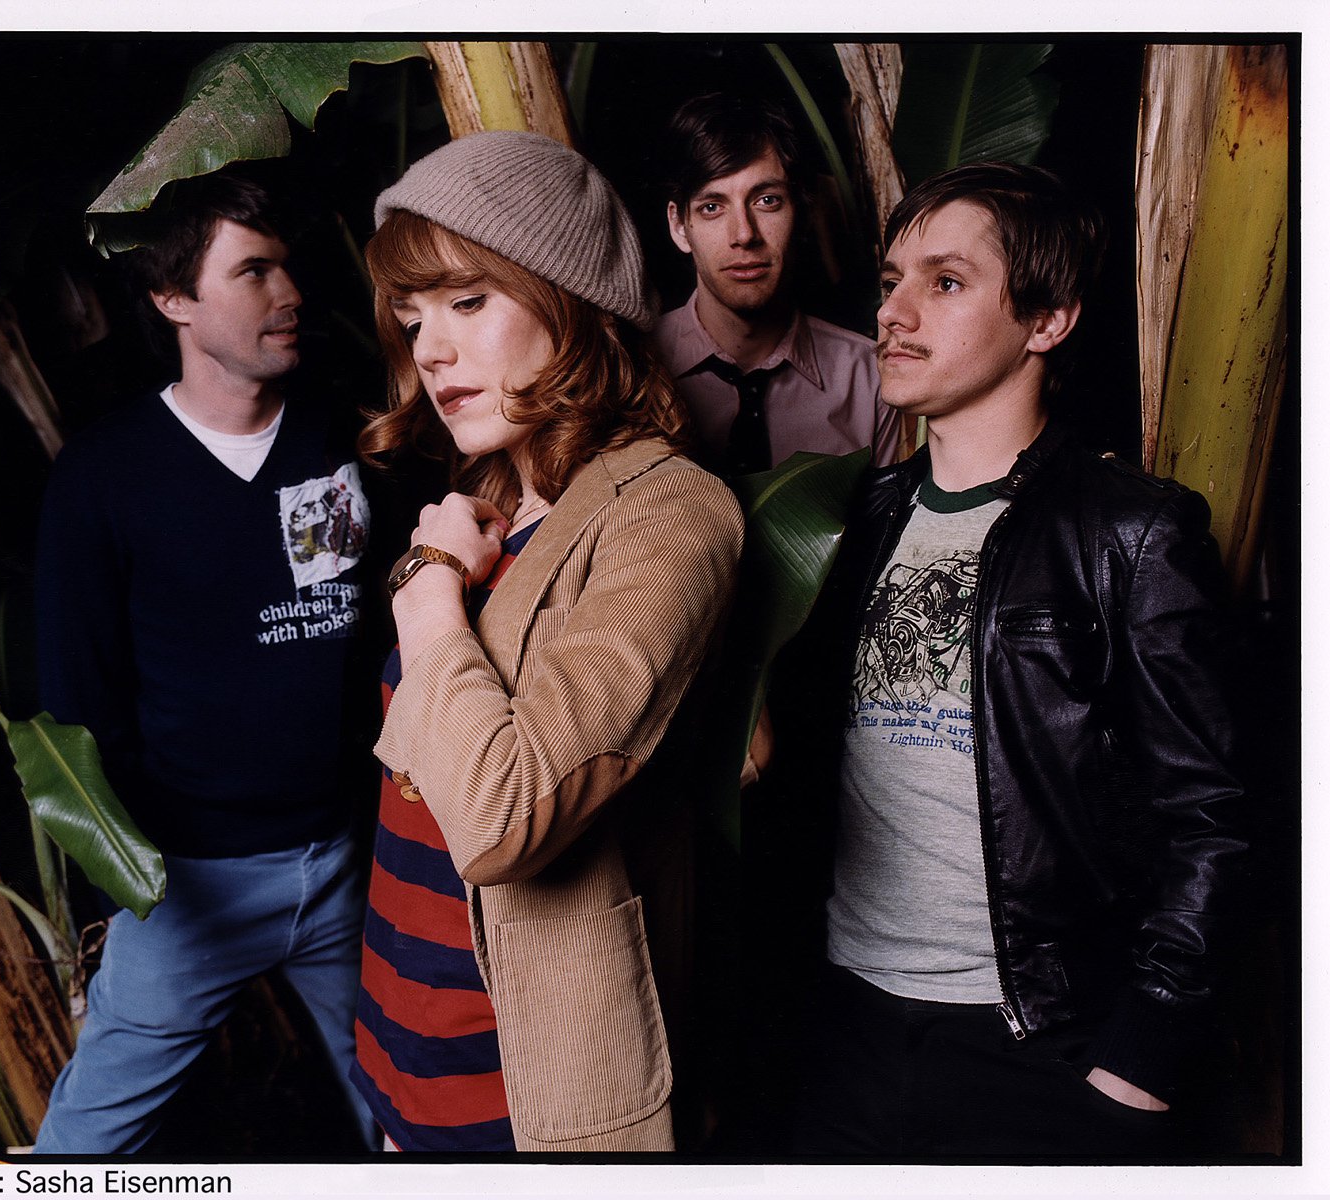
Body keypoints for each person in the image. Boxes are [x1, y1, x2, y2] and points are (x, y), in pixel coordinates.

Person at [791, 162, 1253, 1160]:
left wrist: (1140, 1059)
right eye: (890, 280)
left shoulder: (1130, 533)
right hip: (843, 1027)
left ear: (1045, 321)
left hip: (1034, 1041)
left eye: (945, 282)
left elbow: (1215, 818)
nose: (894, 312)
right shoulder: (852, 523)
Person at [348, 130, 744, 1153]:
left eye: (467, 301)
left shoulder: (668, 513)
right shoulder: (486, 502)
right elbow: (414, 798)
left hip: (521, 1089)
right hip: (401, 1041)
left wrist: (425, 586)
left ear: (570, 303)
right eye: (412, 317)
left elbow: (501, 821)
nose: (429, 350)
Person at [33, 171, 379, 1153]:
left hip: (348, 867)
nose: (290, 293)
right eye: (252, 271)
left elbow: (375, 634)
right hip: (189, 888)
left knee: (410, 1115)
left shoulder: (341, 436)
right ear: (172, 298)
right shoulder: (104, 475)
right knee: (82, 1148)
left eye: (287, 266)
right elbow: (77, 703)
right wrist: (137, 889)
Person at [653, 92, 898, 476]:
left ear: (801, 213)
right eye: (712, 207)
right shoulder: (634, 365)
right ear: (679, 226)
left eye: (766, 201)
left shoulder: (870, 379)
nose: (744, 234)